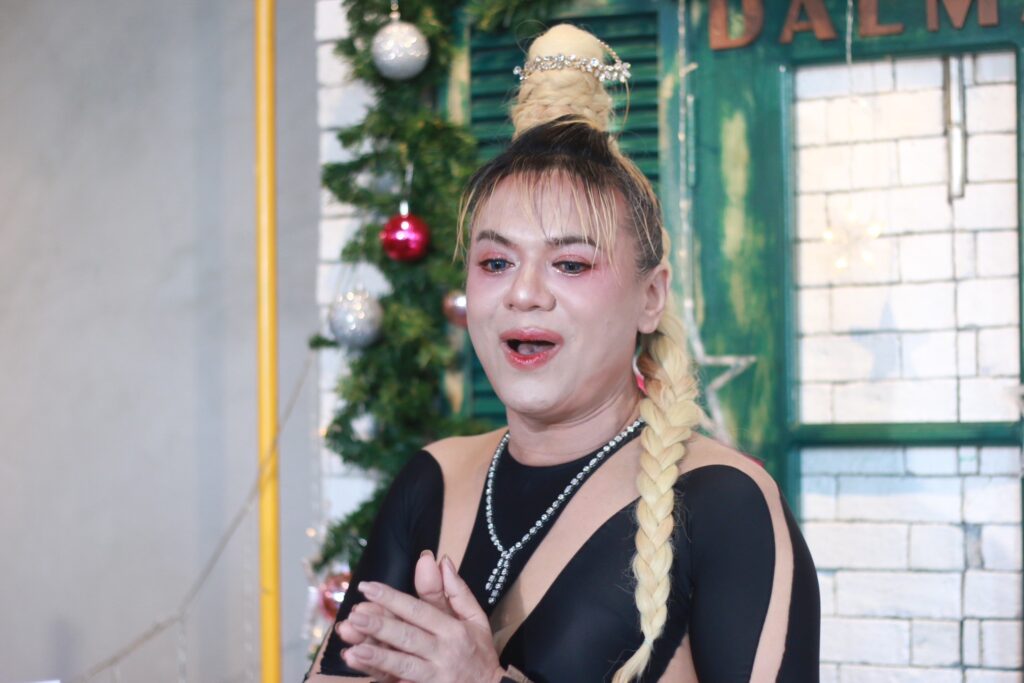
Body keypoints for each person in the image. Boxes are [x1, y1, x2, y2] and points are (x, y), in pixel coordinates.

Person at [305, 23, 820, 683]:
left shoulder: (724, 505)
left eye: (570, 264)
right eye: (496, 262)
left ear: (651, 297)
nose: (523, 293)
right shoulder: (431, 479)